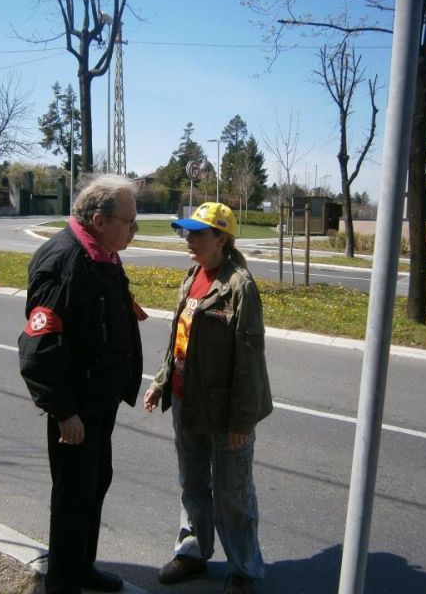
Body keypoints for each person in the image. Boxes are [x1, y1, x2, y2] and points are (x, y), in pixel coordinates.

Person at [19, 174, 144, 594]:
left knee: (95, 484)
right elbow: (40, 347)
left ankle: (82, 568)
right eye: (129, 221)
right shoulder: (64, 262)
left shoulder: (100, 254)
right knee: (73, 497)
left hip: (99, 403)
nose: (135, 229)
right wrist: (64, 410)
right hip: (76, 411)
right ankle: (63, 584)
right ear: (98, 219)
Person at [143, 202, 273, 594]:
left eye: (198, 233)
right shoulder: (193, 275)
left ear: (222, 238)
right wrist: (161, 381)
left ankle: (245, 570)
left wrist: (242, 422)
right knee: (192, 483)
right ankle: (193, 552)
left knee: (233, 493)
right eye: (187, 232)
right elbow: (180, 342)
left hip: (224, 411)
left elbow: (250, 360)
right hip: (186, 402)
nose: (189, 240)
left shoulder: (239, 285)